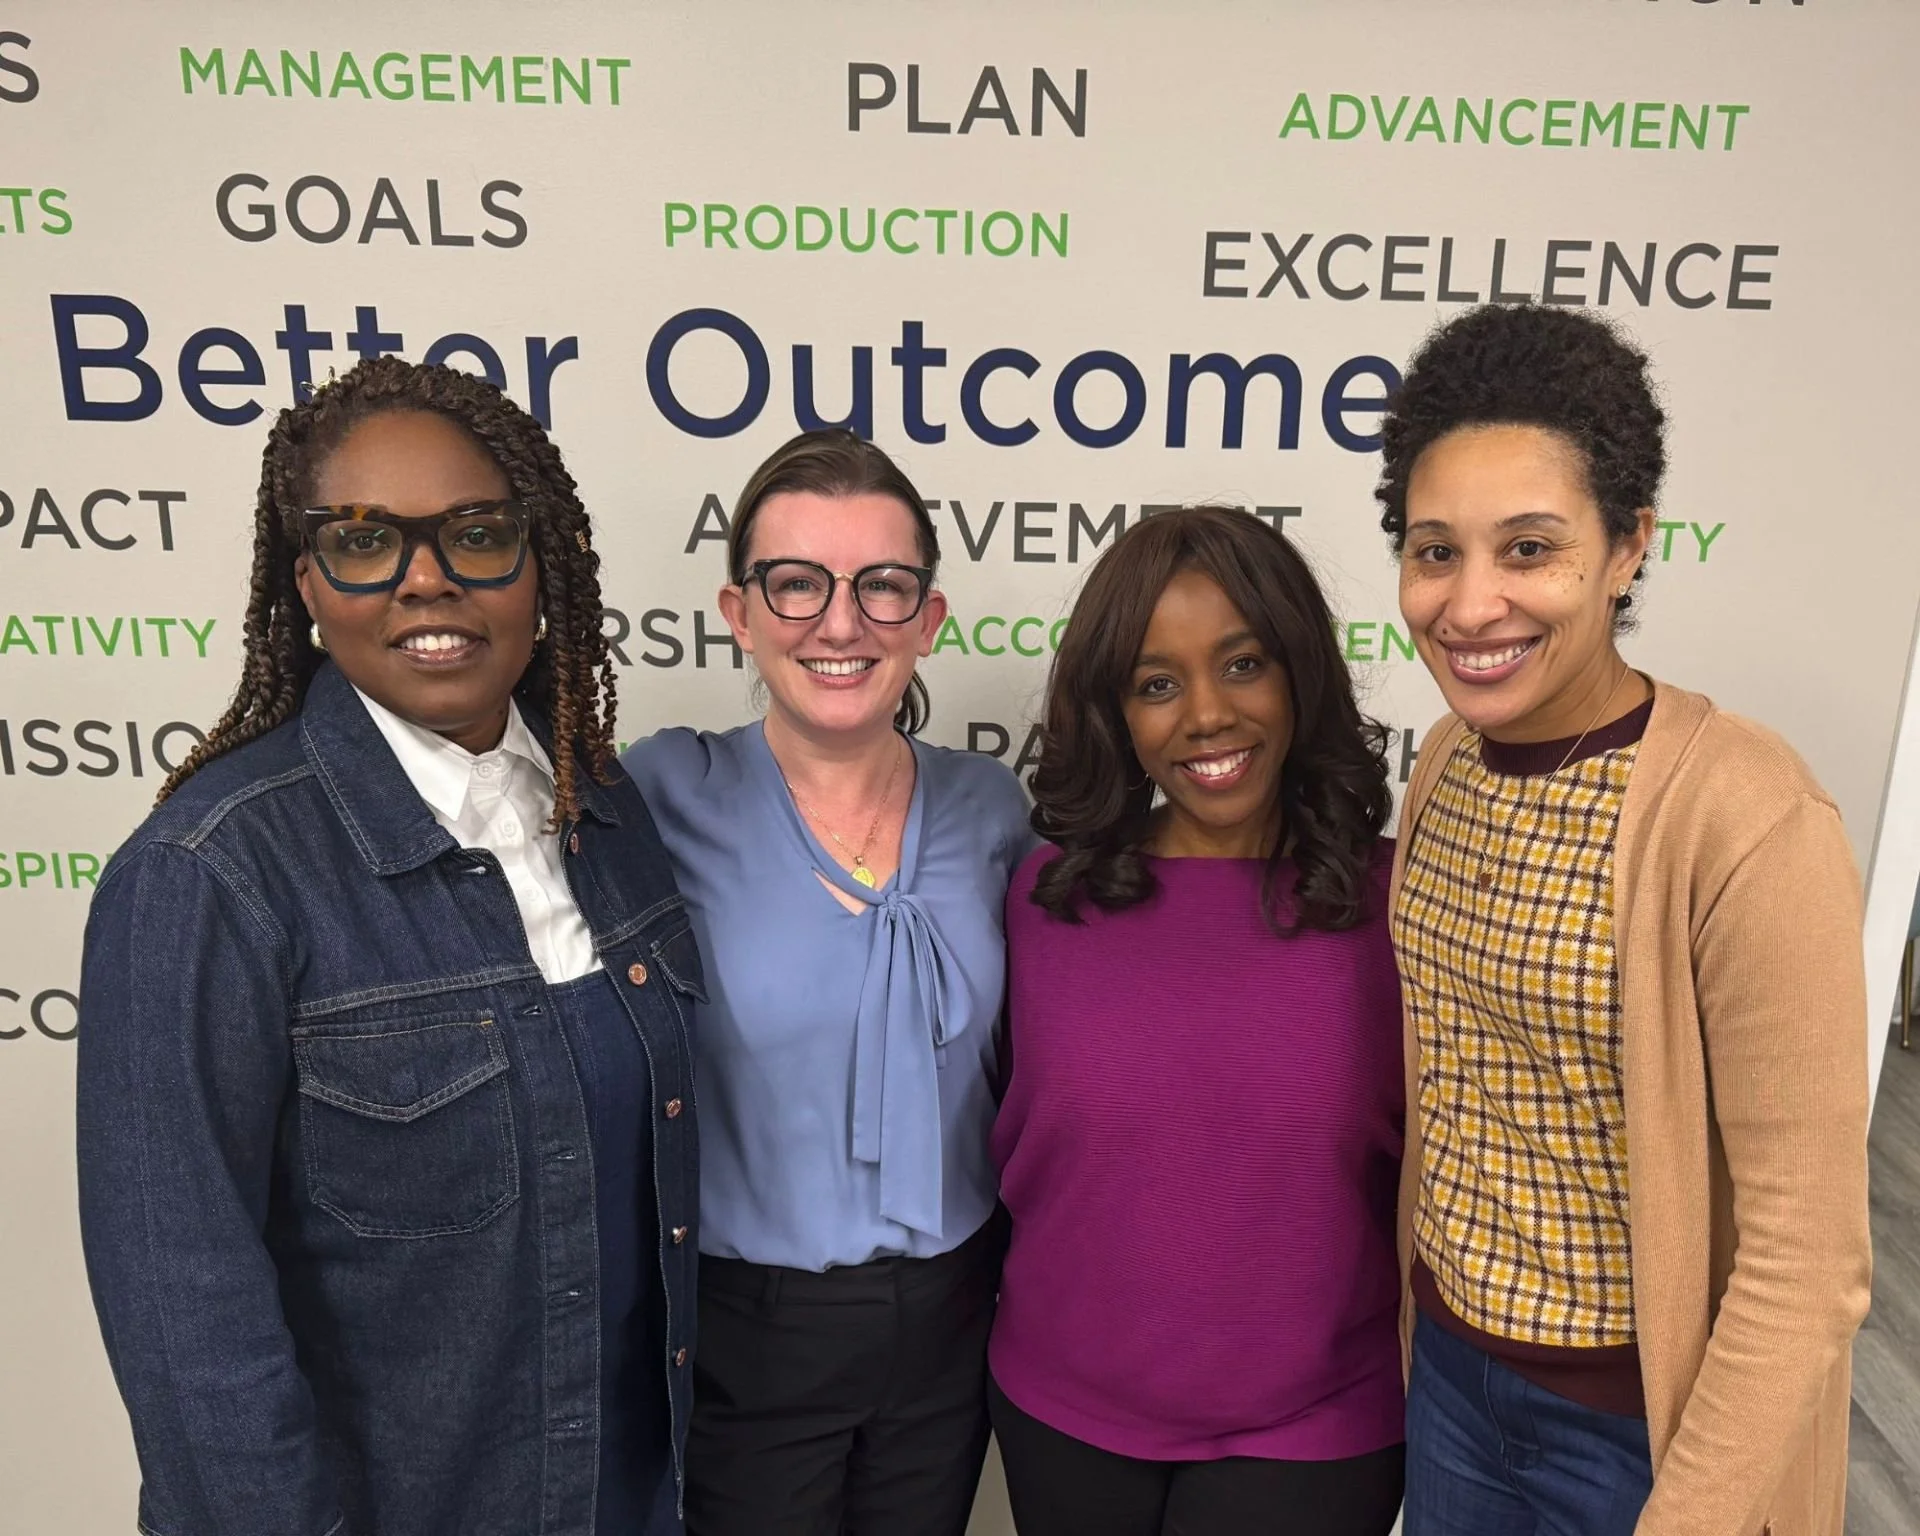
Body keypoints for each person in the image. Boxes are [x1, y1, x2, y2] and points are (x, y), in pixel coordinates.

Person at [76, 357, 701, 1536]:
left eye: (476, 533)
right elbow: (185, 1326)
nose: (427, 580)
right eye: (366, 542)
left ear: (539, 563)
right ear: (307, 578)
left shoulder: (606, 813)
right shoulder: (208, 876)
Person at [1379, 303, 1871, 1536]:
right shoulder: (1444, 758)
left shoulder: (1745, 815)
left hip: (1637, 1435)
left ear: (1627, 547)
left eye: (1529, 549)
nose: (1472, 602)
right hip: (1447, 1379)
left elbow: (1808, 1262)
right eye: (1435, 551)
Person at [621, 428, 1033, 1536]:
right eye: (797, 584)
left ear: (929, 618)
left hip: (956, 1314)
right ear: (740, 612)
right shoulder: (661, 795)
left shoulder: (995, 810)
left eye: (882, 586)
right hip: (752, 1331)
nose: (840, 623)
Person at [988, 505, 1408, 1536]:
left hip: (1312, 1430)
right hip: (1062, 1417)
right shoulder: (1045, 898)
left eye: (1244, 664)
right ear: (1115, 713)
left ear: (1301, 671)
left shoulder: (1395, 904)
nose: (1207, 715)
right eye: (1157, 684)